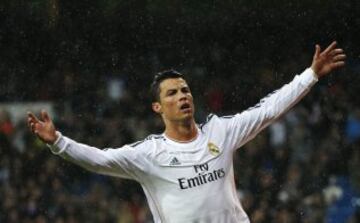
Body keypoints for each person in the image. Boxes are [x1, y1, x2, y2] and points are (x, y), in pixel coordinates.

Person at [27, 41, 346, 223]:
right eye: (172, 93)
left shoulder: (220, 132)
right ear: (157, 107)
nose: (182, 96)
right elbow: (99, 160)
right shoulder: (149, 154)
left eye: (185, 90)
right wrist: (58, 141)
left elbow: (268, 110)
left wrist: (310, 75)